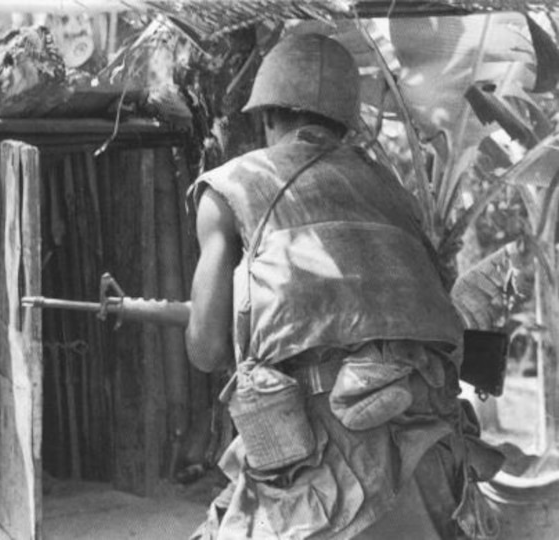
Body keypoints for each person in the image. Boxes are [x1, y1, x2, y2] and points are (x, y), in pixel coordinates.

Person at [185, 33, 503, 539]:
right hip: (430, 460)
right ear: (346, 124)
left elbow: (206, 348)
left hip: (316, 485)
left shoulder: (231, 188)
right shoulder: (392, 194)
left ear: (267, 116)